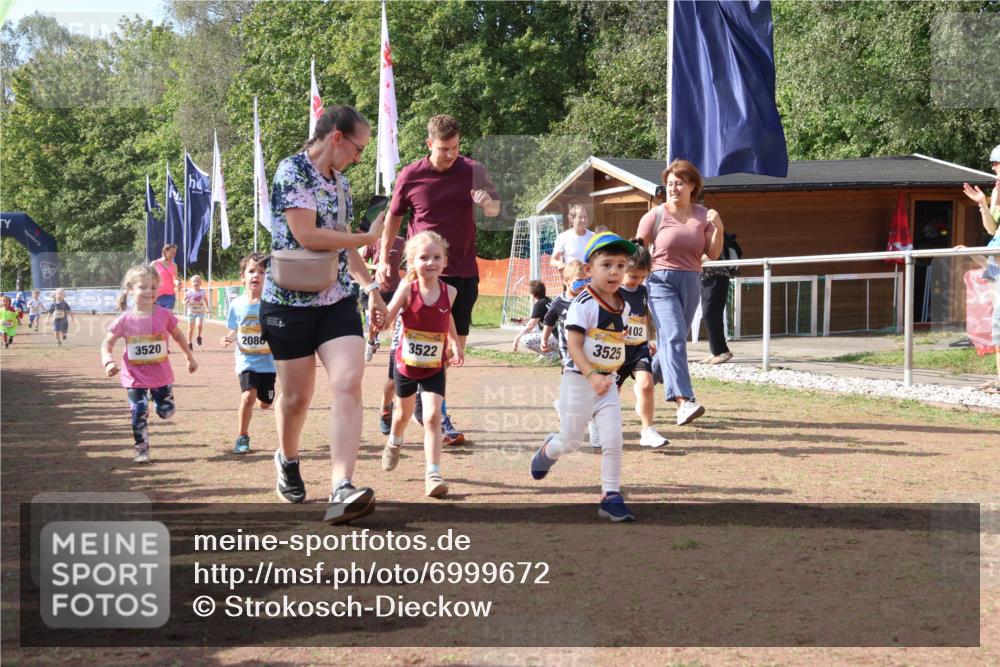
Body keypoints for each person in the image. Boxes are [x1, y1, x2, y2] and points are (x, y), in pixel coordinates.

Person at [260, 105, 388, 525]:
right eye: (357, 148)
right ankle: (288, 458)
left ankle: (341, 487)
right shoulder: (291, 171)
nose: (358, 156)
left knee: (349, 382)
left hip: (335, 299)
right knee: (296, 398)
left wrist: (371, 290)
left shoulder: (344, 186)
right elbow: (308, 235)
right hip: (287, 302)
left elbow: (345, 246)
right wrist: (367, 236)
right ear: (336, 137)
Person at [376, 114, 501, 444]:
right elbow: (393, 219)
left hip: (463, 271)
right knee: (425, 344)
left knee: (454, 346)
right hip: (425, 275)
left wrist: (488, 205)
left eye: (456, 148)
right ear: (429, 144)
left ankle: (405, 396)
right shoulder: (411, 175)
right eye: (444, 149)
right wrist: (382, 260)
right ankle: (431, 411)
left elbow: (495, 211)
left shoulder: (472, 170)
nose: (450, 155)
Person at [530, 232, 637, 522]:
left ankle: (611, 496)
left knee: (613, 440)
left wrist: (622, 348)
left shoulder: (623, 305)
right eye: (606, 264)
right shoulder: (584, 303)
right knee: (570, 441)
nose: (614, 271)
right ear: (589, 270)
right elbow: (574, 346)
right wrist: (591, 376)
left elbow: (613, 338)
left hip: (607, 384)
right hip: (579, 382)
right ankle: (547, 450)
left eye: (620, 265)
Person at [636, 159, 723, 427]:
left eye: (679, 183)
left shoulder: (703, 215)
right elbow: (638, 251)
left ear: (692, 186)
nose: (673, 188)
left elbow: (713, 253)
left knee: (670, 344)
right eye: (670, 184)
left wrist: (718, 225)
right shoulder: (654, 215)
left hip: (692, 280)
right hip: (660, 280)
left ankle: (643, 374)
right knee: (674, 337)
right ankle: (684, 401)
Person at [380, 231, 464, 497]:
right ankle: (394, 441)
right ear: (412, 262)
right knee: (403, 415)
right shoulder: (408, 288)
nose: (430, 263)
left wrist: (455, 343)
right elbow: (390, 314)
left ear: (445, 261)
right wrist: (380, 320)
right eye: (423, 258)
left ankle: (433, 473)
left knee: (431, 416)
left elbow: (446, 317)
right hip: (406, 365)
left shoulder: (450, 292)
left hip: (434, 366)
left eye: (436, 257)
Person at [100, 265, 198, 463]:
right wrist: (108, 362)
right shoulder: (124, 319)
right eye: (142, 287)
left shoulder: (163, 314)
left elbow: (178, 336)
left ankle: (158, 401)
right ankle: (141, 450)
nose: (148, 291)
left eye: (153, 287)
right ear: (130, 290)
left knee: (167, 412)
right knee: (138, 412)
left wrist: (190, 357)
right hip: (134, 378)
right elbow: (107, 343)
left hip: (161, 376)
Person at [221, 253, 276, 454]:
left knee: (266, 403)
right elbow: (236, 328)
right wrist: (228, 338)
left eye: (262, 272)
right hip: (246, 361)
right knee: (247, 397)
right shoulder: (237, 305)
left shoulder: (272, 304)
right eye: (252, 271)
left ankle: (265, 399)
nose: (257, 275)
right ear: (242, 276)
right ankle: (242, 437)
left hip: (268, 364)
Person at [616, 241, 669, 448]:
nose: (637, 282)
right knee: (612, 393)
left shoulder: (643, 292)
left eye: (642, 278)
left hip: (638, 348)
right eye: (633, 277)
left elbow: (643, 317)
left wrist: (649, 340)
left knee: (646, 385)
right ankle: (603, 427)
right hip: (615, 351)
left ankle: (648, 430)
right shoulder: (611, 292)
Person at [961, 143, 1000, 393]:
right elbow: (991, 229)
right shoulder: (997, 191)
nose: (995, 168)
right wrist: (982, 204)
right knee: (997, 323)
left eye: (998, 163)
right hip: (996, 261)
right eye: (994, 164)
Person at [361, 232, 405, 435]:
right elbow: (360, 262)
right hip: (374, 289)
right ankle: (371, 341)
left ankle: (391, 412)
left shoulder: (403, 241)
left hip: (395, 289)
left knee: (396, 325)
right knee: (374, 324)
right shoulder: (372, 240)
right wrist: (377, 267)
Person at [699, 233, 740, 365]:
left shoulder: (712, 232)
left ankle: (722, 351)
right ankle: (716, 351)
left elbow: (712, 255)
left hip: (717, 277)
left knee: (710, 314)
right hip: (706, 278)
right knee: (711, 314)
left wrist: (691, 258)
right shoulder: (701, 231)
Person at [511, 280, 556, 359]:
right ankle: (550, 352)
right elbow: (542, 316)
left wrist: (516, 338)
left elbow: (530, 326)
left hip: (556, 338)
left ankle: (550, 355)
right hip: (560, 336)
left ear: (533, 294)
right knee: (536, 328)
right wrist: (526, 319)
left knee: (525, 339)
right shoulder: (548, 300)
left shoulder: (539, 304)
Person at [550, 203, 595, 272]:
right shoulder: (563, 237)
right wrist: (559, 264)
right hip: (573, 280)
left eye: (585, 217)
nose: (583, 220)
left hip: (591, 279)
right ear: (571, 219)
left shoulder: (594, 236)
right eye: (580, 217)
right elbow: (553, 260)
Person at [184, 274, 209, 348]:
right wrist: (185, 302)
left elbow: (205, 300)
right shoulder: (189, 292)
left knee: (199, 325)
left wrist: (207, 308)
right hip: (191, 313)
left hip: (200, 312)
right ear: (191, 283)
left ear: (200, 283)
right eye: (194, 281)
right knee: (191, 329)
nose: (196, 283)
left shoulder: (202, 292)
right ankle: (189, 343)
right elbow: (183, 301)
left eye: (198, 282)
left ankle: (198, 337)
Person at [151, 244, 179, 312]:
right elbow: (147, 276)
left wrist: (178, 283)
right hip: (156, 295)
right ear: (166, 251)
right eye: (172, 252)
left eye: (175, 253)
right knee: (156, 318)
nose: (173, 255)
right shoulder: (155, 263)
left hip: (170, 295)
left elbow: (175, 279)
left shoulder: (174, 265)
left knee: (167, 316)